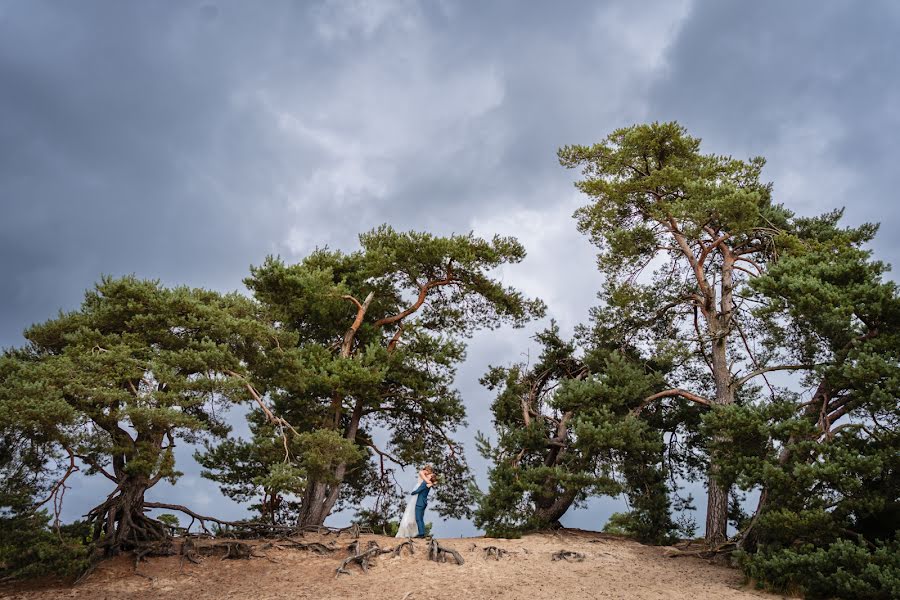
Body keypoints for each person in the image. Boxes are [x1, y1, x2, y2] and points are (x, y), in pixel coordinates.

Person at [396, 466, 436, 538]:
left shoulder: (424, 483)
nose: (428, 475)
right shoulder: (429, 484)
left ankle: (421, 534)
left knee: (418, 519)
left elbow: (417, 490)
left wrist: (413, 492)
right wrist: (433, 482)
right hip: (424, 502)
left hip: (420, 503)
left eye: (429, 475)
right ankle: (421, 533)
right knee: (420, 518)